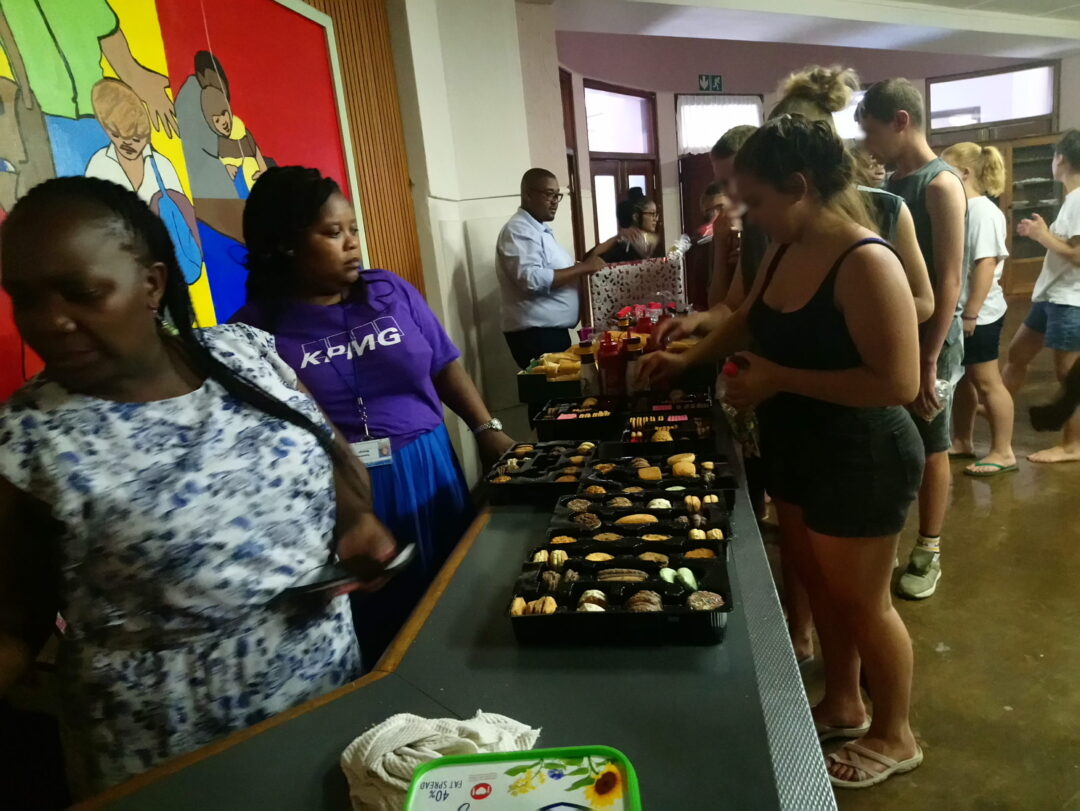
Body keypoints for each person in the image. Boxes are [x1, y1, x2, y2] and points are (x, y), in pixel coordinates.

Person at [0, 176, 396, 796]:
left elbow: (328, 453)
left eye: (82, 294)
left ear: (152, 283)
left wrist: (356, 524)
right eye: (25, 298)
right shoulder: (27, 441)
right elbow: (14, 622)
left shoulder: (242, 355)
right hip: (172, 759)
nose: (50, 321)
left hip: (323, 702)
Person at [640, 115, 924, 788]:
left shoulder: (865, 260)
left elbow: (898, 384)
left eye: (758, 200)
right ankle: (845, 701)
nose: (749, 216)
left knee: (865, 603)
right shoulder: (784, 247)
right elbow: (744, 320)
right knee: (820, 583)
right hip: (798, 439)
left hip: (861, 452)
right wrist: (687, 359)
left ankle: (896, 733)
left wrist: (779, 379)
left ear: (800, 186)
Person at [233, 166, 511, 665]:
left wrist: (486, 429)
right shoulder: (254, 332)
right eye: (332, 232)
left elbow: (444, 364)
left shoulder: (389, 291)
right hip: (343, 492)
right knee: (383, 625)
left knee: (457, 598)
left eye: (354, 229)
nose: (352, 244)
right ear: (285, 245)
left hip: (430, 467)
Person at [859, 78, 968, 601]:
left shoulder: (940, 184)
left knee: (931, 443)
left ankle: (929, 548)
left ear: (901, 121)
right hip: (894, 334)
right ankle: (889, 540)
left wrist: (929, 360)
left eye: (872, 131)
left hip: (932, 338)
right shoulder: (890, 185)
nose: (869, 143)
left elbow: (949, 280)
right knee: (892, 439)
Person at [1002, 129, 1080, 464]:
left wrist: (1041, 236)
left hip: (1069, 301)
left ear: (1060, 159)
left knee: (1068, 376)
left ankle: (1073, 445)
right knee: (1017, 354)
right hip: (1051, 297)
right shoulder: (1072, 199)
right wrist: (1044, 233)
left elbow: (1077, 255)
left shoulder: (1078, 199)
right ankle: (997, 406)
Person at [941, 142, 1016, 477]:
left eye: (946, 170)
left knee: (987, 381)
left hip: (980, 314)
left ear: (965, 173)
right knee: (965, 381)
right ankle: (963, 440)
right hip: (965, 313)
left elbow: (985, 264)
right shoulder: (964, 209)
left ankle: (1003, 451)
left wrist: (971, 312)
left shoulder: (983, 211)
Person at [497, 168, 606, 369]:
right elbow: (531, 279)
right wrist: (583, 268)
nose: (555, 201)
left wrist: (579, 268)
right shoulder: (518, 230)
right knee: (551, 389)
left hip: (549, 333)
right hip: (536, 336)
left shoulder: (538, 230)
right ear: (528, 195)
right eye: (549, 194)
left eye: (557, 195)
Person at [601, 188, 664, 263]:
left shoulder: (656, 245)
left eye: (656, 214)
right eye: (652, 213)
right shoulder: (620, 247)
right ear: (636, 217)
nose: (656, 219)